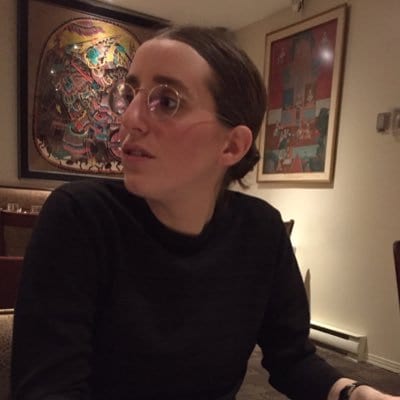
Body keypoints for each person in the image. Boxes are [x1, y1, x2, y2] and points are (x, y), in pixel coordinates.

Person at [11, 26, 399, 400]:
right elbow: (48, 389)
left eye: (166, 101)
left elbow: (293, 359)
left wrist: (354, 393)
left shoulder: (261, 230)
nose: (128, 119)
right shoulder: (80, 217)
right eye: (129, 95)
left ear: (231, 146)